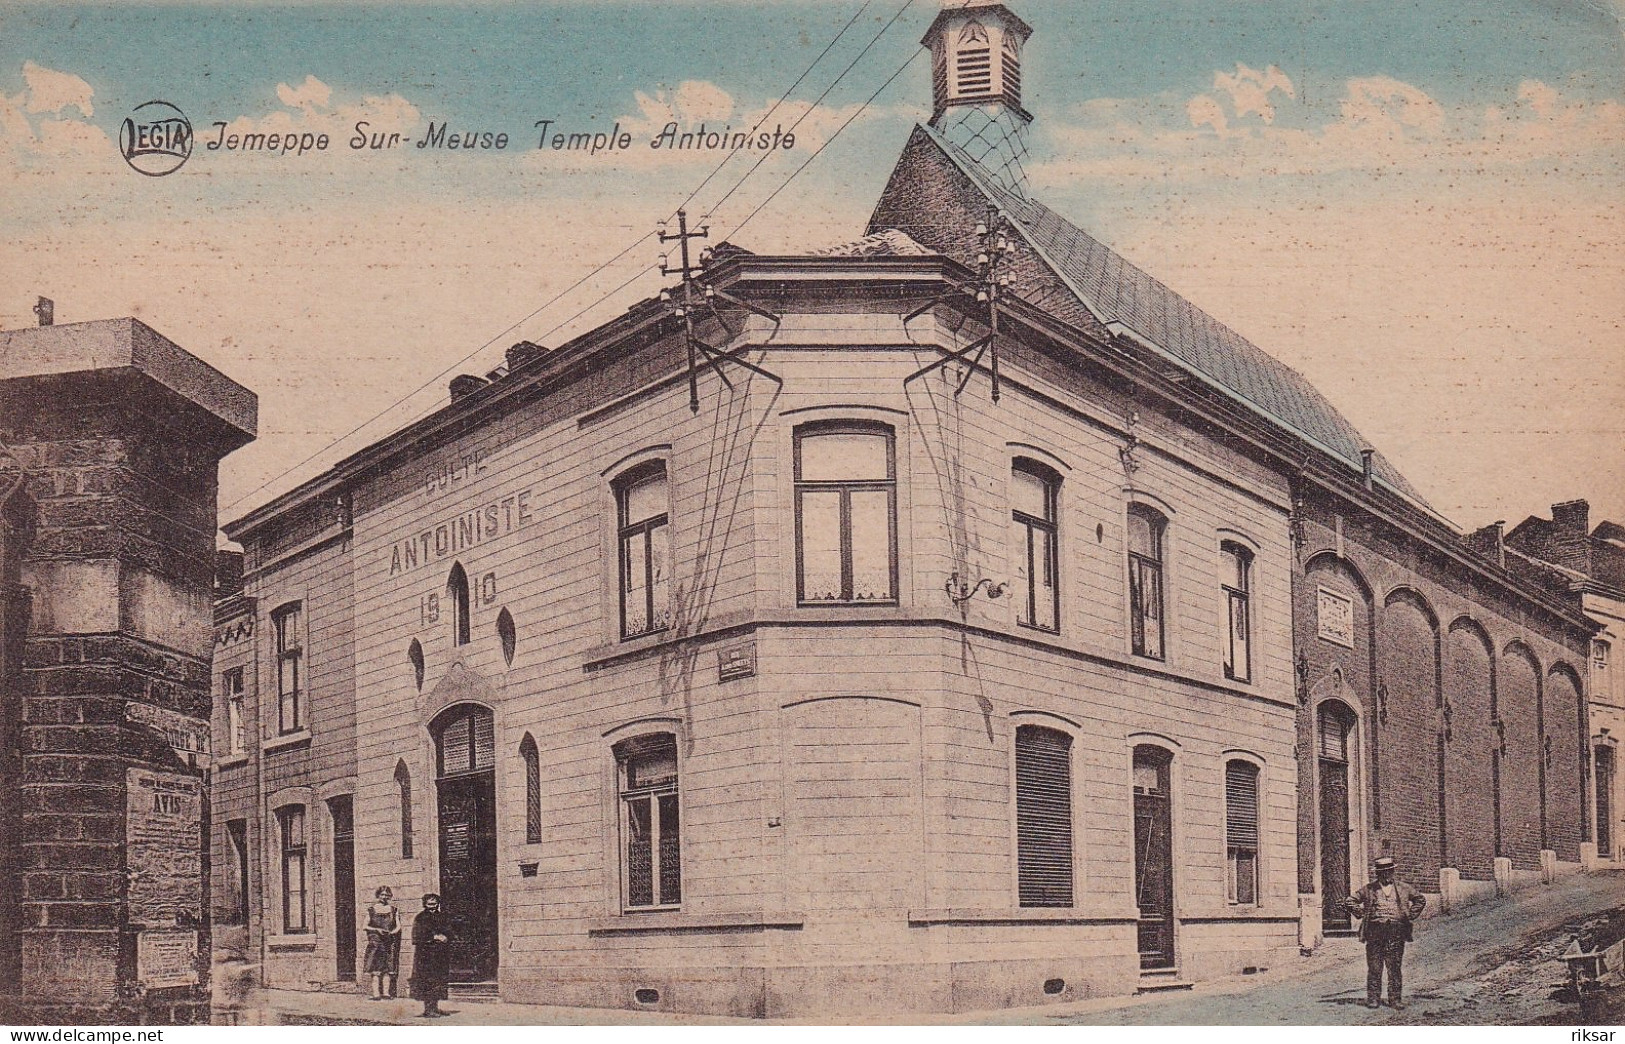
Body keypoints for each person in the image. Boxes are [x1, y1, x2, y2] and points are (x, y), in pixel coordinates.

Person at [1344, 855, 1426, 1010]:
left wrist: (1410, 914)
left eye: (1388, 871)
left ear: (1392, 871)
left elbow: (1420, 900)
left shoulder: (1403, 888)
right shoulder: (1368, 889)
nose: (1385, 874)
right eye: (1382, 872)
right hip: (1375, 933)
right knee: (1375, 967)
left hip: (1396, 932)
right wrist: (1360, 912)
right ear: (1378, 873)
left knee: (1394, 967)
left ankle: (1395, 999)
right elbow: (1350, 900)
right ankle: (1373, 999)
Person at [410, 893, 452, 1018]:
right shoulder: (420, 918)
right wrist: (433, 937)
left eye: (434, 904)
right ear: (425, 904)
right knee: (427, 980)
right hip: (425, 956)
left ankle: (435, 1007)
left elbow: (449, 931)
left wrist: (446, 937)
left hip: (440, 954)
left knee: (439, 980)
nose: (432, 906)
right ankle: (428, 1009)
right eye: (429, 904)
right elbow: (416, 936)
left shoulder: (443, 916)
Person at [362, 886, 402, 1000]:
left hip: (388, 942)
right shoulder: (371, 910)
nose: (384, 897)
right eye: (382, 894)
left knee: (387, 968)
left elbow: (398, 926)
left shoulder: (394, 910)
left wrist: (392, 932)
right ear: (378, 895)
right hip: (375, 942)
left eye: (386, 895)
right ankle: (376, 994)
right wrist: (377, 930)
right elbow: (365, 926)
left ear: (390, 896)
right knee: (375, 969)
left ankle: (386, 993)